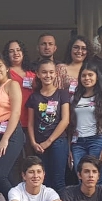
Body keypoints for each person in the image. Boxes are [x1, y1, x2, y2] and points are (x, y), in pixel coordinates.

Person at [27, 58, 70, 191]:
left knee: (58, 179)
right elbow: (30, 124)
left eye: (51, 72)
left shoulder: (62, 94)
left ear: (55, 73)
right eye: (44, 72)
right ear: (38, 74)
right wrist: (34, 143)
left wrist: (49, 141)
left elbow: (65, 120)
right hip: (39, 145)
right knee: (43, 181)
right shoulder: (34, 97)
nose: (48, 75)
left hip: (58, 141)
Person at [69, 62, 102, 186]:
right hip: (77, 143)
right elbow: (71, 125)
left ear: (97, 77)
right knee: (81, 178)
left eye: (90, 75)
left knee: (98, 177)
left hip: (97, 140)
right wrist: (69, 148)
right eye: (83, 75)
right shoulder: (75, 98)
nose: (87, 78)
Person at [0, 53, 25, 198]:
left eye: (0, 66)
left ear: (7, 68)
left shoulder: (12, 84)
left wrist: (6, 138)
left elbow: (16, 113)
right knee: (9, 175)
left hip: (11, 131)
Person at [4, 39, 36, 131]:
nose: (15, 53)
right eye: (11, 51)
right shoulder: (5, 73)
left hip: (31, 120)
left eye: (18, 50)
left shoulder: (32, 73)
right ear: (7, 55)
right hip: (12, 120)